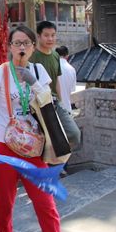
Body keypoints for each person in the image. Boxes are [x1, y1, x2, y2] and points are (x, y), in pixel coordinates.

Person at [0, 26, 78, 232]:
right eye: (17, 43)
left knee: (45, 203)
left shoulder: (38, 70)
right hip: (4, 143)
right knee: (5, 200)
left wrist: (32, 81)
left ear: (33, 46)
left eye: (26, 43)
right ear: (10, 46)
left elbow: (47, 101)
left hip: (33, 146)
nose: (21, 47)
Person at [29, 21, 81, 150]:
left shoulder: (56, 56)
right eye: (46, 35)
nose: (50, 39)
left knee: (74, 134)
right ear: (39, 36)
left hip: (54, 103)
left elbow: (56, 81)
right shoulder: (32, 55)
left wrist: (61, 102)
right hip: (36, 104)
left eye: (53, 35)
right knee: (42, 140)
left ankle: (56, 159)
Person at [55, 46, 77, 113]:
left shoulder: (53, 67)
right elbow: (72, 89)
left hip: (54, 107)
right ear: (67, 56)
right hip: (67, 107)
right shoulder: (72, 69)